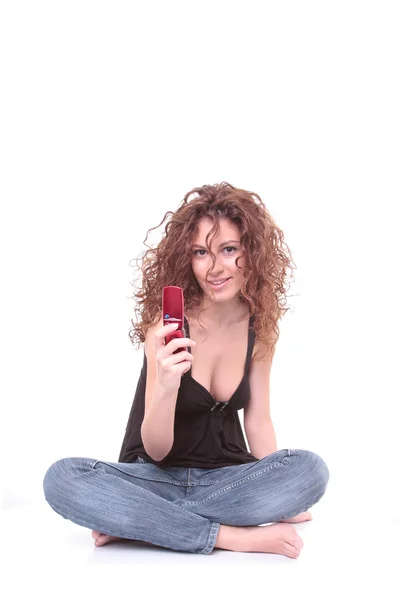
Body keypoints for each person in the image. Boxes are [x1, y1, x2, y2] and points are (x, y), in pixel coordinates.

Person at [43, 182, 329, 558]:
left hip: (226, 481)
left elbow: (259, 422)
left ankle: (145, 524)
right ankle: (228, 536)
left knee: (311, 470)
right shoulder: (165, 330)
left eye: (229, 249)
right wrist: (164, 385)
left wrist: (280, 495)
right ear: (186, 258)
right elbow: (157, 451)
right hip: (153, 480)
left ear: (252, 253)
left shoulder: (259, 328)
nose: (214, 268)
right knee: (62, 478)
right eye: (200, 253)